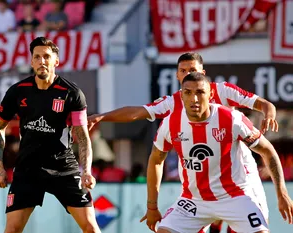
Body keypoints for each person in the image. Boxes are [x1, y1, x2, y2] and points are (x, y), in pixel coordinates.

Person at [88, 52, 278, 233]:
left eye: (192, 69)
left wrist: (268, 114)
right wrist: (102, 117)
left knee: (258, 223)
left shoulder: (223, 90)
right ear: (178, 75)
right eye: (183, 71)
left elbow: (263, 104)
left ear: (203, 74)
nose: (188, 73)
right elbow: (138, 112)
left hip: (239, 173)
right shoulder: (174, 103)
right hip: (199, 175)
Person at [140, 72, 293, 233]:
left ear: (210, 94)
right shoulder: (170, 123)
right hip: (194, 201)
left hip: (234, 197)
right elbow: (156, 160)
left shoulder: (231, 119)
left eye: (200, 92)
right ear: (181, 95)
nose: (194, 99)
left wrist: (282, 194)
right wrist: (152, 207)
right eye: (188, 93)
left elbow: (268, 151)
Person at [0, 37, 101, 233]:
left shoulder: (72, 93)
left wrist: (86, 171)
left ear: (56, 61)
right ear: (32, 61)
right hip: (27, 169)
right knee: (12, 229)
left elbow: (83, 137)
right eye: (37, 57)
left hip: (63, 168)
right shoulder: (17, 91)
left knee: (91, 228)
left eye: (47, 57)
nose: (42, 61)